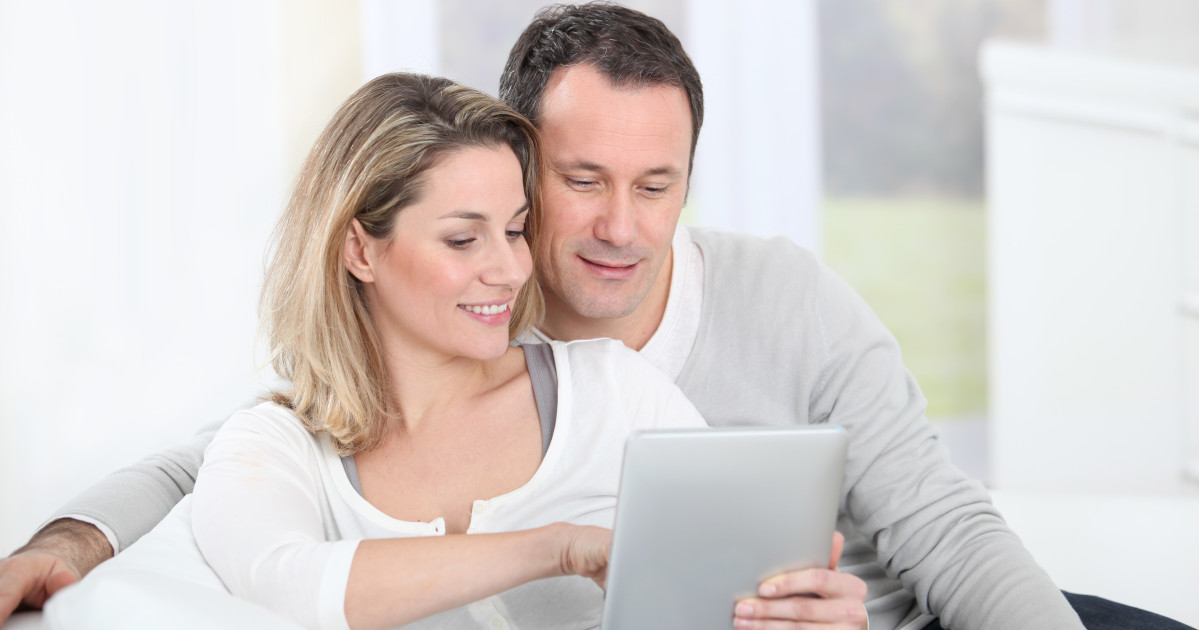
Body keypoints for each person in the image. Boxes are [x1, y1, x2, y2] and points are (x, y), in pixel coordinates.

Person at [0, 4, 1190, 630]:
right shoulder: (472, 336)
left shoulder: (776, 298)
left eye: (656, 186)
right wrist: (64, 541)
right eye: (577, 185)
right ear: (520, 164)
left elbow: (944, 529)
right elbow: (234, 454)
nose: (621, 226)